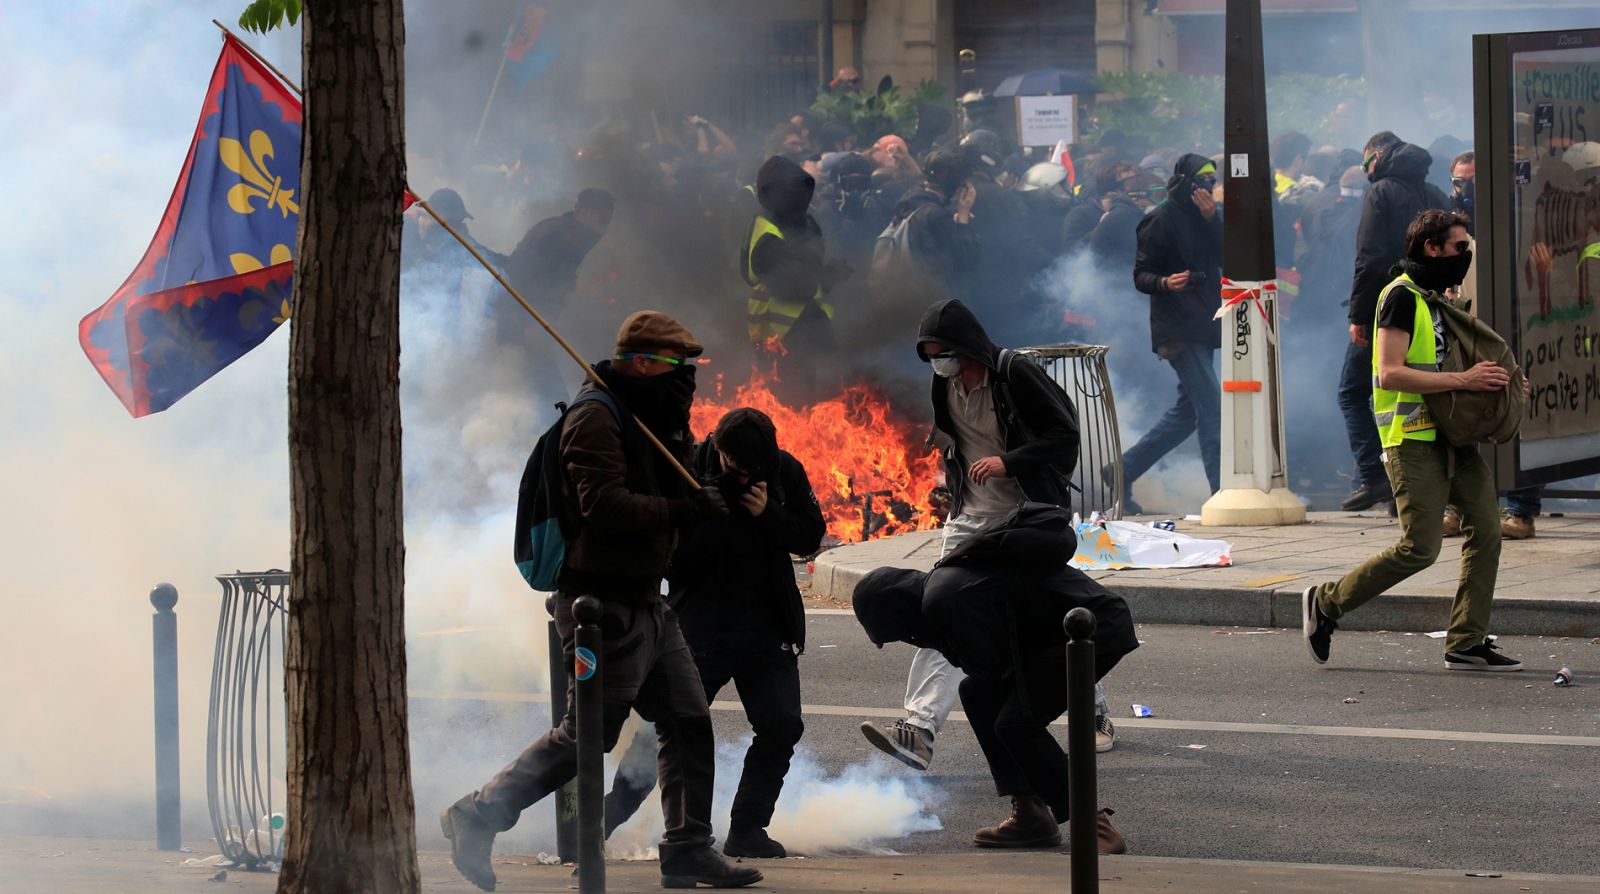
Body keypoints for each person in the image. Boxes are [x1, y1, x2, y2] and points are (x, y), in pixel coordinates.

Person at [441, 312, 762, 892]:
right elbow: (604, 506)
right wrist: (686, 510)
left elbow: (668, 480)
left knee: (688, 721)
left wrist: (712, 483)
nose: (685, 379)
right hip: (601, 605)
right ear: (642, 362)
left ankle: (688, 848)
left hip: (648, 602)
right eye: (677, 367)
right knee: (587, 736)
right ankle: (477, 814)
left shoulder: (650, 415)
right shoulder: (595, 417)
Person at [859, 299, 1118, 769]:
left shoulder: (1013, 372)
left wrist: (1009, 462)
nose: (940, 364)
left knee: (1051, 612)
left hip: (1026, 520)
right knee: (943, 611)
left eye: (944, 353)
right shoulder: (944, 384)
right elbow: (954, 433)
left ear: (967, 346)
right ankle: (918, 730)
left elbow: (1065, 435)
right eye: (932, 356)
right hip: (971, 520)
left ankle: (1091, 710)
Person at [1302, 210, 1524, 673]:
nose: (1465, 256)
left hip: (1451, 435)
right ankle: (1326, 602)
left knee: (1486, 528)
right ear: (1432, 247)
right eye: (1460, 247)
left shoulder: (1433, 298)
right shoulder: (1400, 297)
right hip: (1413, 438)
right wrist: (1466, 378)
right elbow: (1389, 371)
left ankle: (1466, 639)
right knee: (1420, 547)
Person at [601, 408, 826, 859]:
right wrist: (710, 510)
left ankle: (747, 828)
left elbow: (809, 536)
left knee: (781, 725)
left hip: (766, 626)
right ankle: (601, 821)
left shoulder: (783, 470)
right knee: (668, 733)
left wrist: (768, 514)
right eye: (736, 469)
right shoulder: (685, 468)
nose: (744, 478)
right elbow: (669, 560)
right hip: (697, 629)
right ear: (719, 452)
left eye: (753, 471)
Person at [852, 503, 1137, 851]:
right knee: (977, 695)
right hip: (1063, 632)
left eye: (900, 634)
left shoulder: (942, 600)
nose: (910, 640)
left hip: (1093, 627)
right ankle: (1031, 814)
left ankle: (1093, 825)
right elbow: (989, 669)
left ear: (899, 614)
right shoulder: (941, 587)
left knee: (1016, 723)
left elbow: (988, 661)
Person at [1340, 132, 1450, 513]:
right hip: (1431, 305)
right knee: (1420, 391)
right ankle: (1411, 486)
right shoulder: (1435, 192)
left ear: (1375, 157)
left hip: (1388, 305)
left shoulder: (1381, 192)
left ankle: (1375, 477)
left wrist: (1358, 316)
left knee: (1352, 391)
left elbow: (1369, 259)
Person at [1116, 154, 1224, 511]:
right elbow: (1140, 275)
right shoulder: (1159, 219)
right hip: (1177, 329)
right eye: (1203, 179)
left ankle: (1121, 472)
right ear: (1186, 182)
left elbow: (1225, 253)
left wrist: (1212, 220)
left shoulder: (1206, 217)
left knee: (1187, 415)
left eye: (1213, 179)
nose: (1209, 186)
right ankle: (1221, 494)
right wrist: (1165, 281)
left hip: (1203, 323)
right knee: (1212, 409)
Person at [741, 155, 851, 402]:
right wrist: (825, 274)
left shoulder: (800, 222)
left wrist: (830, 274)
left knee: (809, 392)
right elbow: (793, 286)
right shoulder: (766, 235)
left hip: (805, 328)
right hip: (780, 333)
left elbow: (811, 263)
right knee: (789, 397)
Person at [877, 151, 979, 299]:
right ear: (956, 185)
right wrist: (963, 217)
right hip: (933, 298)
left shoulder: (909, 202)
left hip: (907, 297)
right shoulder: (935, 215)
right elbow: (966, 259)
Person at [505, 188, 615, 317]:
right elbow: (524, 272)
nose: (606, 223)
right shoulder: (554, 234)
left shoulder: (586, 237)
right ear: (583, 212)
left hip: (548, 309)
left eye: (608, 217)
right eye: (601, 217)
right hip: (525, 309)